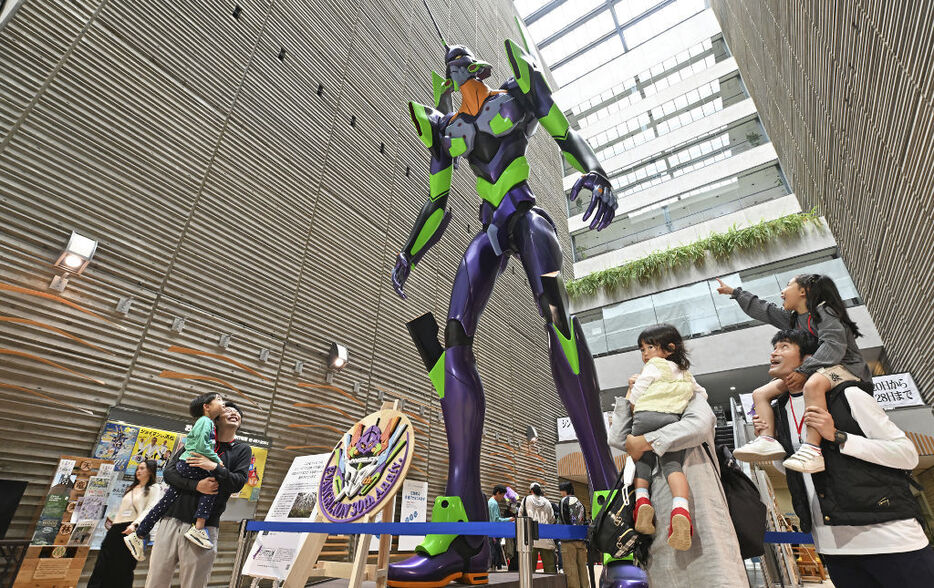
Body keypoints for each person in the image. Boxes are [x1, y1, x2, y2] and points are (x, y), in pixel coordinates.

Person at [759, 329, 934, 587]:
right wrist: (772, 444)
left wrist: (839, 437)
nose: (774, 352)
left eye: (784, 346)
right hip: (833, 547)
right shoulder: (779, 410)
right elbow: (793, 473)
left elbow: (907, 454)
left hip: (892, 539)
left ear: (809, 358)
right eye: (774, 347)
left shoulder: (846, 394)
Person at [717, 274, 872, 473]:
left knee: (813, 384)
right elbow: (766, 311)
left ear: (803, 290)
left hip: (848, 370)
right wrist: (735, 293)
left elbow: (834, 346)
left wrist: (803, 370)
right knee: (760, 394)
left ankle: (813, 448)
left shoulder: (824, 311)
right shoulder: (793, 320)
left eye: (788, 285)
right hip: (815, 372)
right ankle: (766, 438)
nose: (782, 291)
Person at [610, 387, 747, 586]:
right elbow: (617, 438)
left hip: (701, 515)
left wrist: (646, 441)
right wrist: (630, 394)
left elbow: (699, 424)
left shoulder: (688, 393)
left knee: (715, 576)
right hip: (656, 526)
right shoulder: (641, 413)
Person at [144, 401, 251, 588]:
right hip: (171, 519)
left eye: (238, 412)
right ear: (216, 419)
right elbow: (169, 473)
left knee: (194, 583)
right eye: (228, 410)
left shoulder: (242, 450)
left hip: (204, 526)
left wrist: (214, 467)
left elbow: (237, 483)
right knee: (156, 580)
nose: (234, 413)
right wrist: (196, 486)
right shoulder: (197, 440)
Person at [624, 324, 706, 550]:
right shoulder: (686, 374)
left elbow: (639, 391)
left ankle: (642, 502)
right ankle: (680, 510)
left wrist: (631, 402)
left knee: (643, 461)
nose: (645, 353)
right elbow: (702, 393)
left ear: (669, 349)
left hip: (644, 417)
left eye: (650, 347)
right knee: (673, 467)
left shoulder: (653, 366)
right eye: (642, 349)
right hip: (671, 421)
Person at [126, 393, 227, 560]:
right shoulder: (205, 421)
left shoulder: (205, 422)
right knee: (211, 486)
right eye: (219, 399)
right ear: (206, 406)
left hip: (185, 463)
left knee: (164, 502)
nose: (223, 403)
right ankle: (198, 528)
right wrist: (217, 461)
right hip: (191, 463)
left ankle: (139, 534)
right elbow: (201, 446)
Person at [87, 459, 162, 588]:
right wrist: (112, 519)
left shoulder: (153, 488)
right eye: (138, 468)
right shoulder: (131, 488)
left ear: (150, 471)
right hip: (116, 528)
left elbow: (150, 509)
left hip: (133, 530)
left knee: (123, 568)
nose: (139, 471)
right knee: (102, 564)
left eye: (142, 468)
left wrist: (135, 524)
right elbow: (122, 509)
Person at [519, 483, 557, 574]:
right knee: (550, 570)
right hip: (546, 538)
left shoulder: (525, 500)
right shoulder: (547, 502)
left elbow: (520, 516)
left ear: (531, 491)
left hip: (530, 539)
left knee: (529, 570)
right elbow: (552, 519)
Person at [557, 481, 589, 588]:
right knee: (582, 568)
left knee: (571, 569)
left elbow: (563, 518)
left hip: (568, 539)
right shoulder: (579, 502)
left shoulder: (564, 501)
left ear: (564, 490)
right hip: (580, 539)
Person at [487, 485, 513, 571]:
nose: (502, 498)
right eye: (502, 495)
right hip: (493, 532)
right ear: (498, 493)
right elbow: (496, 520)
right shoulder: (493, 504)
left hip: (490, 532)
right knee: (494, 555)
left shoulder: (490, 502)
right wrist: (509, 519)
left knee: (493, 554)